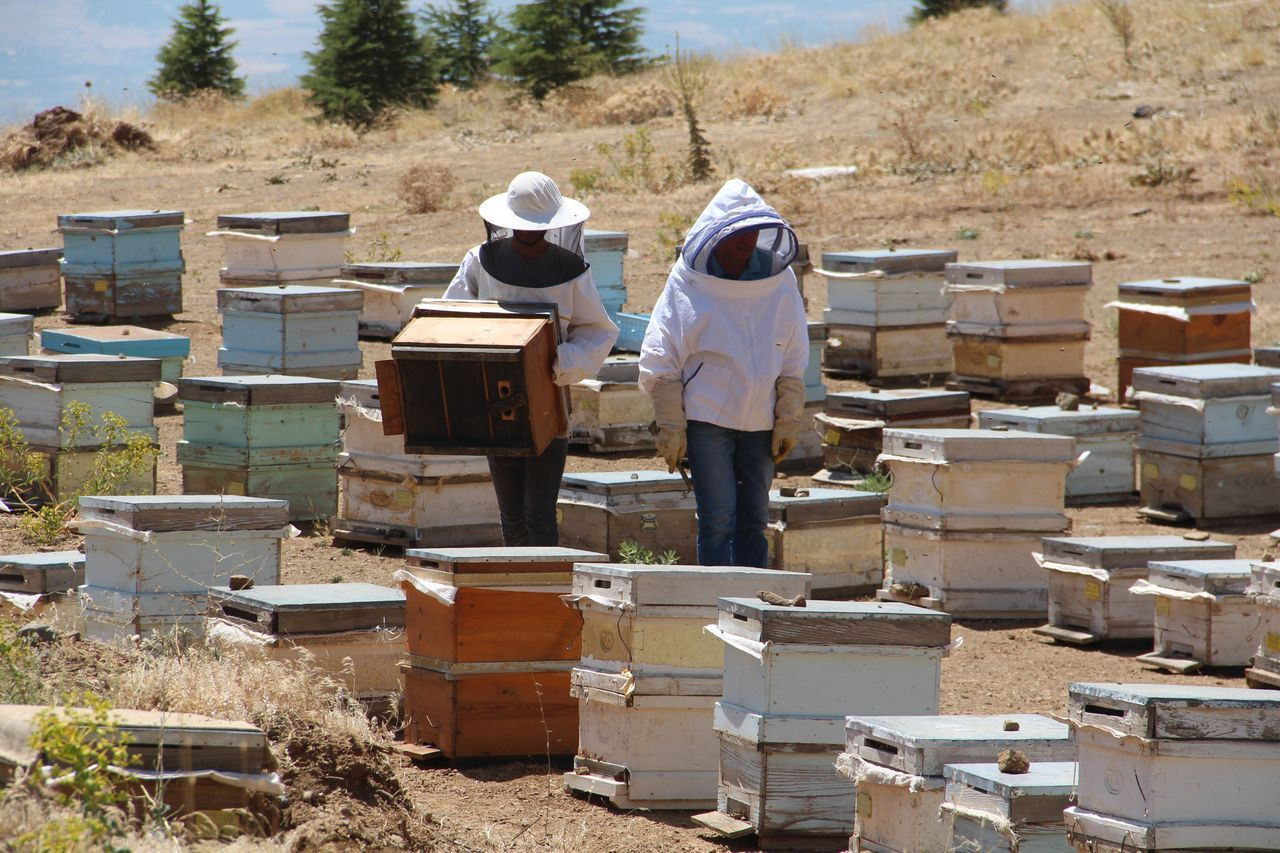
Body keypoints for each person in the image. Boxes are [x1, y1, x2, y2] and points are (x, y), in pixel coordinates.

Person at [443, 171, 619, 546]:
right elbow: (448, 317)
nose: (528, 233)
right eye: (521, 225)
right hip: (494, 397)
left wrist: (561, 359)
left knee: (539, 512)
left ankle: (542, 594)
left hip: (548, 399)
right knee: (511, 515)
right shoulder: (478, 260)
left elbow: (599, 332)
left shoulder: (570, 271)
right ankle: (516, 592)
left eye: (537, 226)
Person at [639, 178, 808, 568]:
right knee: (717, 518)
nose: (747, 243)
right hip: (707, 418)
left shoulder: (779, 281)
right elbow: (660, 354)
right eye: (738, 235)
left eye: (753, 234)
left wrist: (788, 417)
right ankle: (711, 604)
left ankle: (753, 602)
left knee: (753, 517)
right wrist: (671, 426)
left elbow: (794, 351)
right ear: (716, 238)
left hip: (761, 418)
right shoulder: (688, 280)